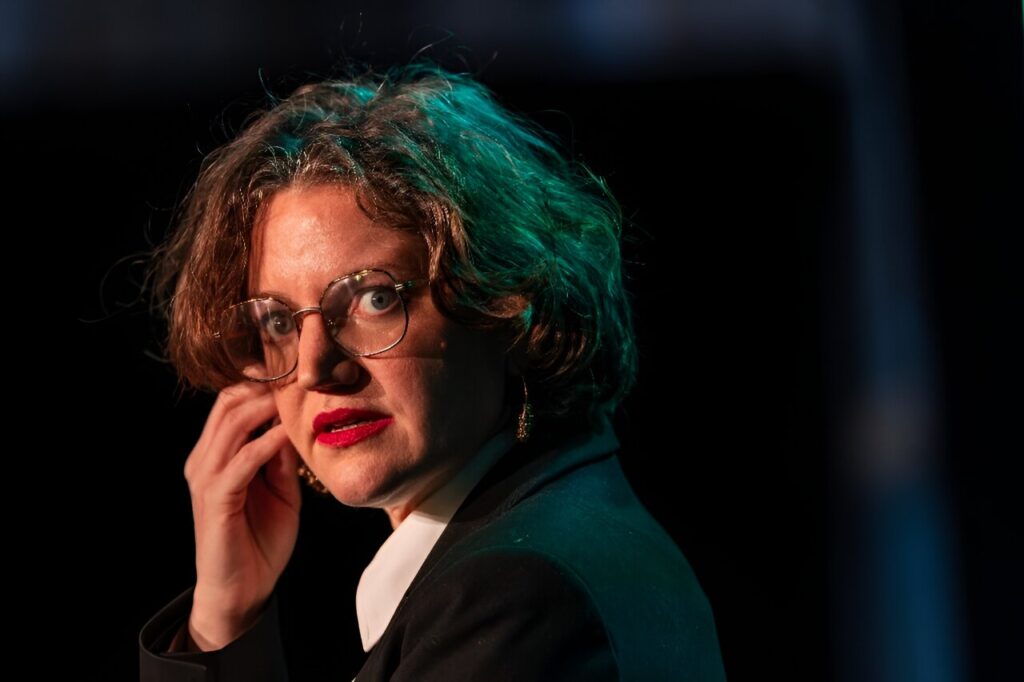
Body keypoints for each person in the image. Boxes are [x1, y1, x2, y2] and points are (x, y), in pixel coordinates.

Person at [138, 61, 726, 681]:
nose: (314, 368)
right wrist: (223, 615)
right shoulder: (561, 528)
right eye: (280, 321)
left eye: (374, 298)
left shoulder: (517, 595)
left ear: (503, 304)